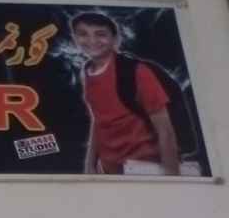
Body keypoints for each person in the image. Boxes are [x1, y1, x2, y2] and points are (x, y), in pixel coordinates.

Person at [71, 12, 182, 176]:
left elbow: (165, 129)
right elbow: (98, 120)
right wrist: (90, 164)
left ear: (116, 40)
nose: (91, 40)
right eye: (83, 34)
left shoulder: (137, 72)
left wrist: (172, 179)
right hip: (109, 170)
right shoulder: (86, 71)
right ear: (75, 38)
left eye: (100, 34)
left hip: (143, 168)